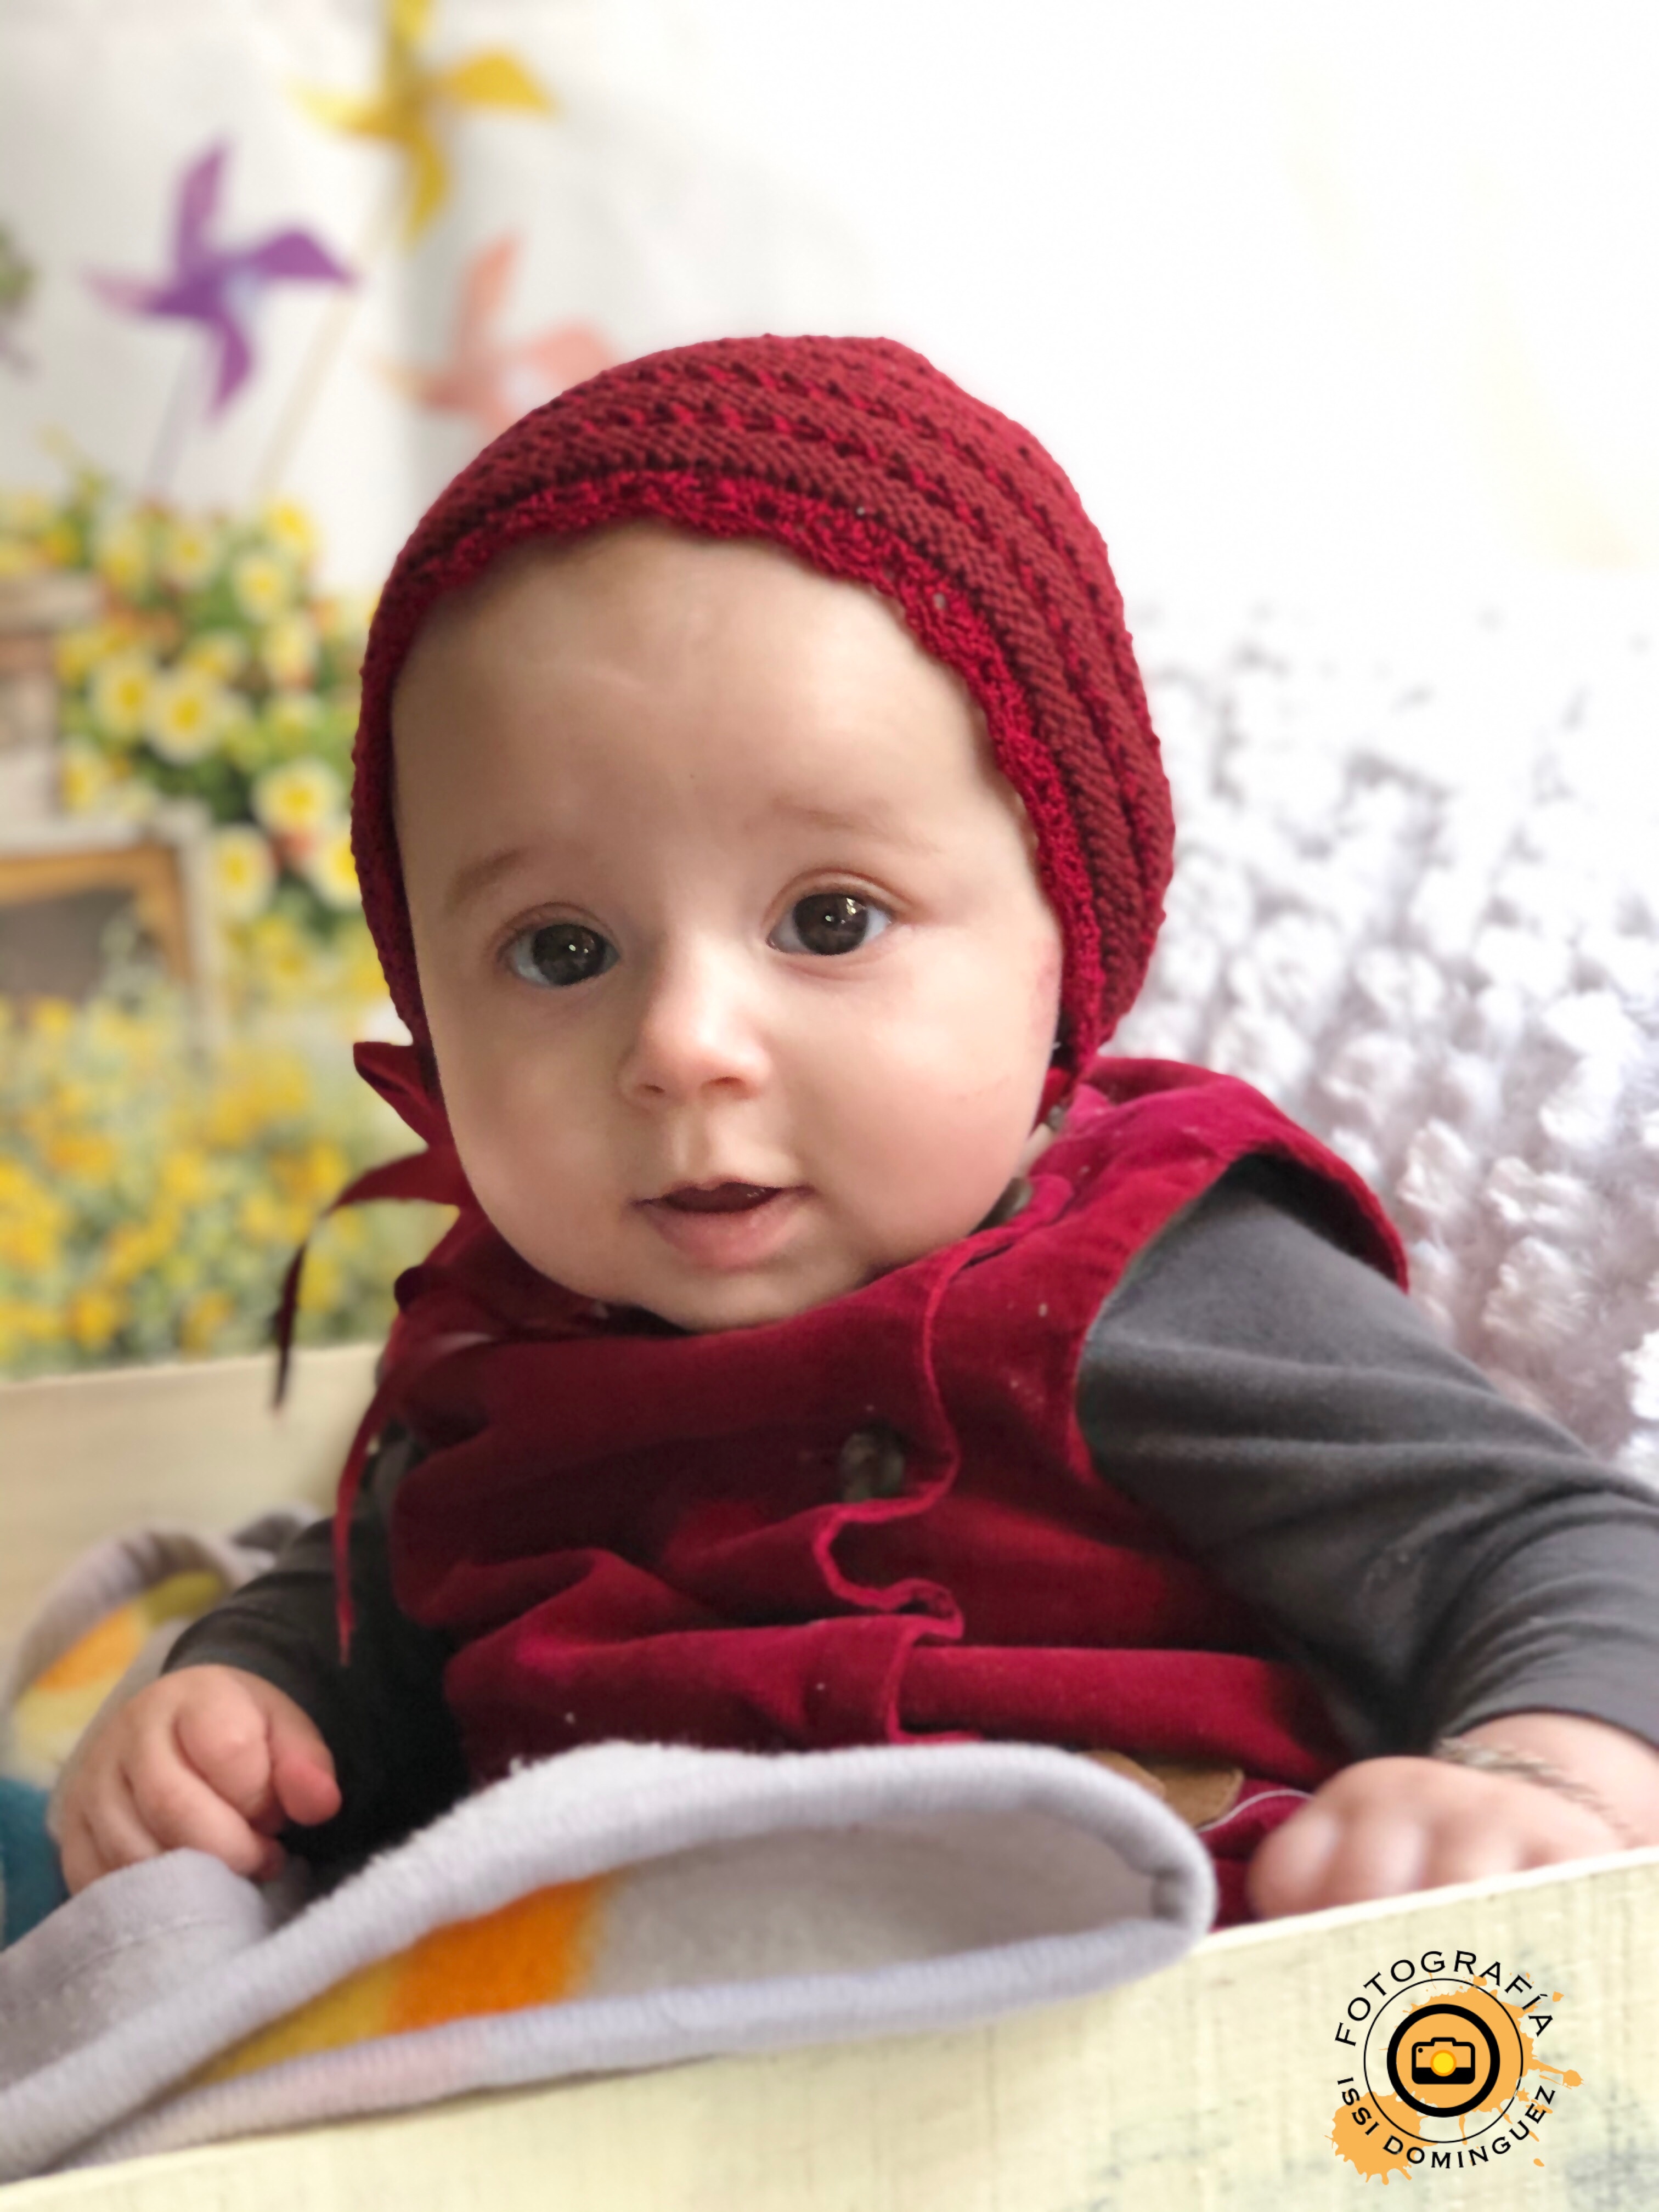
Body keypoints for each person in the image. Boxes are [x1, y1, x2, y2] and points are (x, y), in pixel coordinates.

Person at [53, 336, 1659, 1928]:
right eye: (560, 950)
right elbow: (377, 1621)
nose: (683, 1046)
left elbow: (1541, 1542)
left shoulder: (1134, 1279)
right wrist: (241, 1703)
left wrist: (1536, 1783)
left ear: (1063, 951)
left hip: (1128, 2014)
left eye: (831, 919)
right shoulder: (490, 1353)